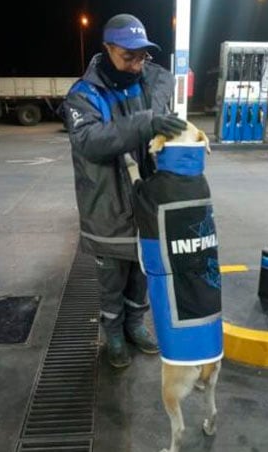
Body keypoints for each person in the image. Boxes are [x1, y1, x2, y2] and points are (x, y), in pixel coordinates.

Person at [63, 13, 187, 368]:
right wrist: (146, 122)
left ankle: (135, 324)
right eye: (127, 56)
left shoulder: (150, 81)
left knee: (143, 271)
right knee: (112, 277)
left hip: (147, 199)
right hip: (107, 203)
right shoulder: (84, 95)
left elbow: (160, 117)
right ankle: (114, 333)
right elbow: (90, 141)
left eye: (142, 56)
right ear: (107, 49)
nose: (136, 65)